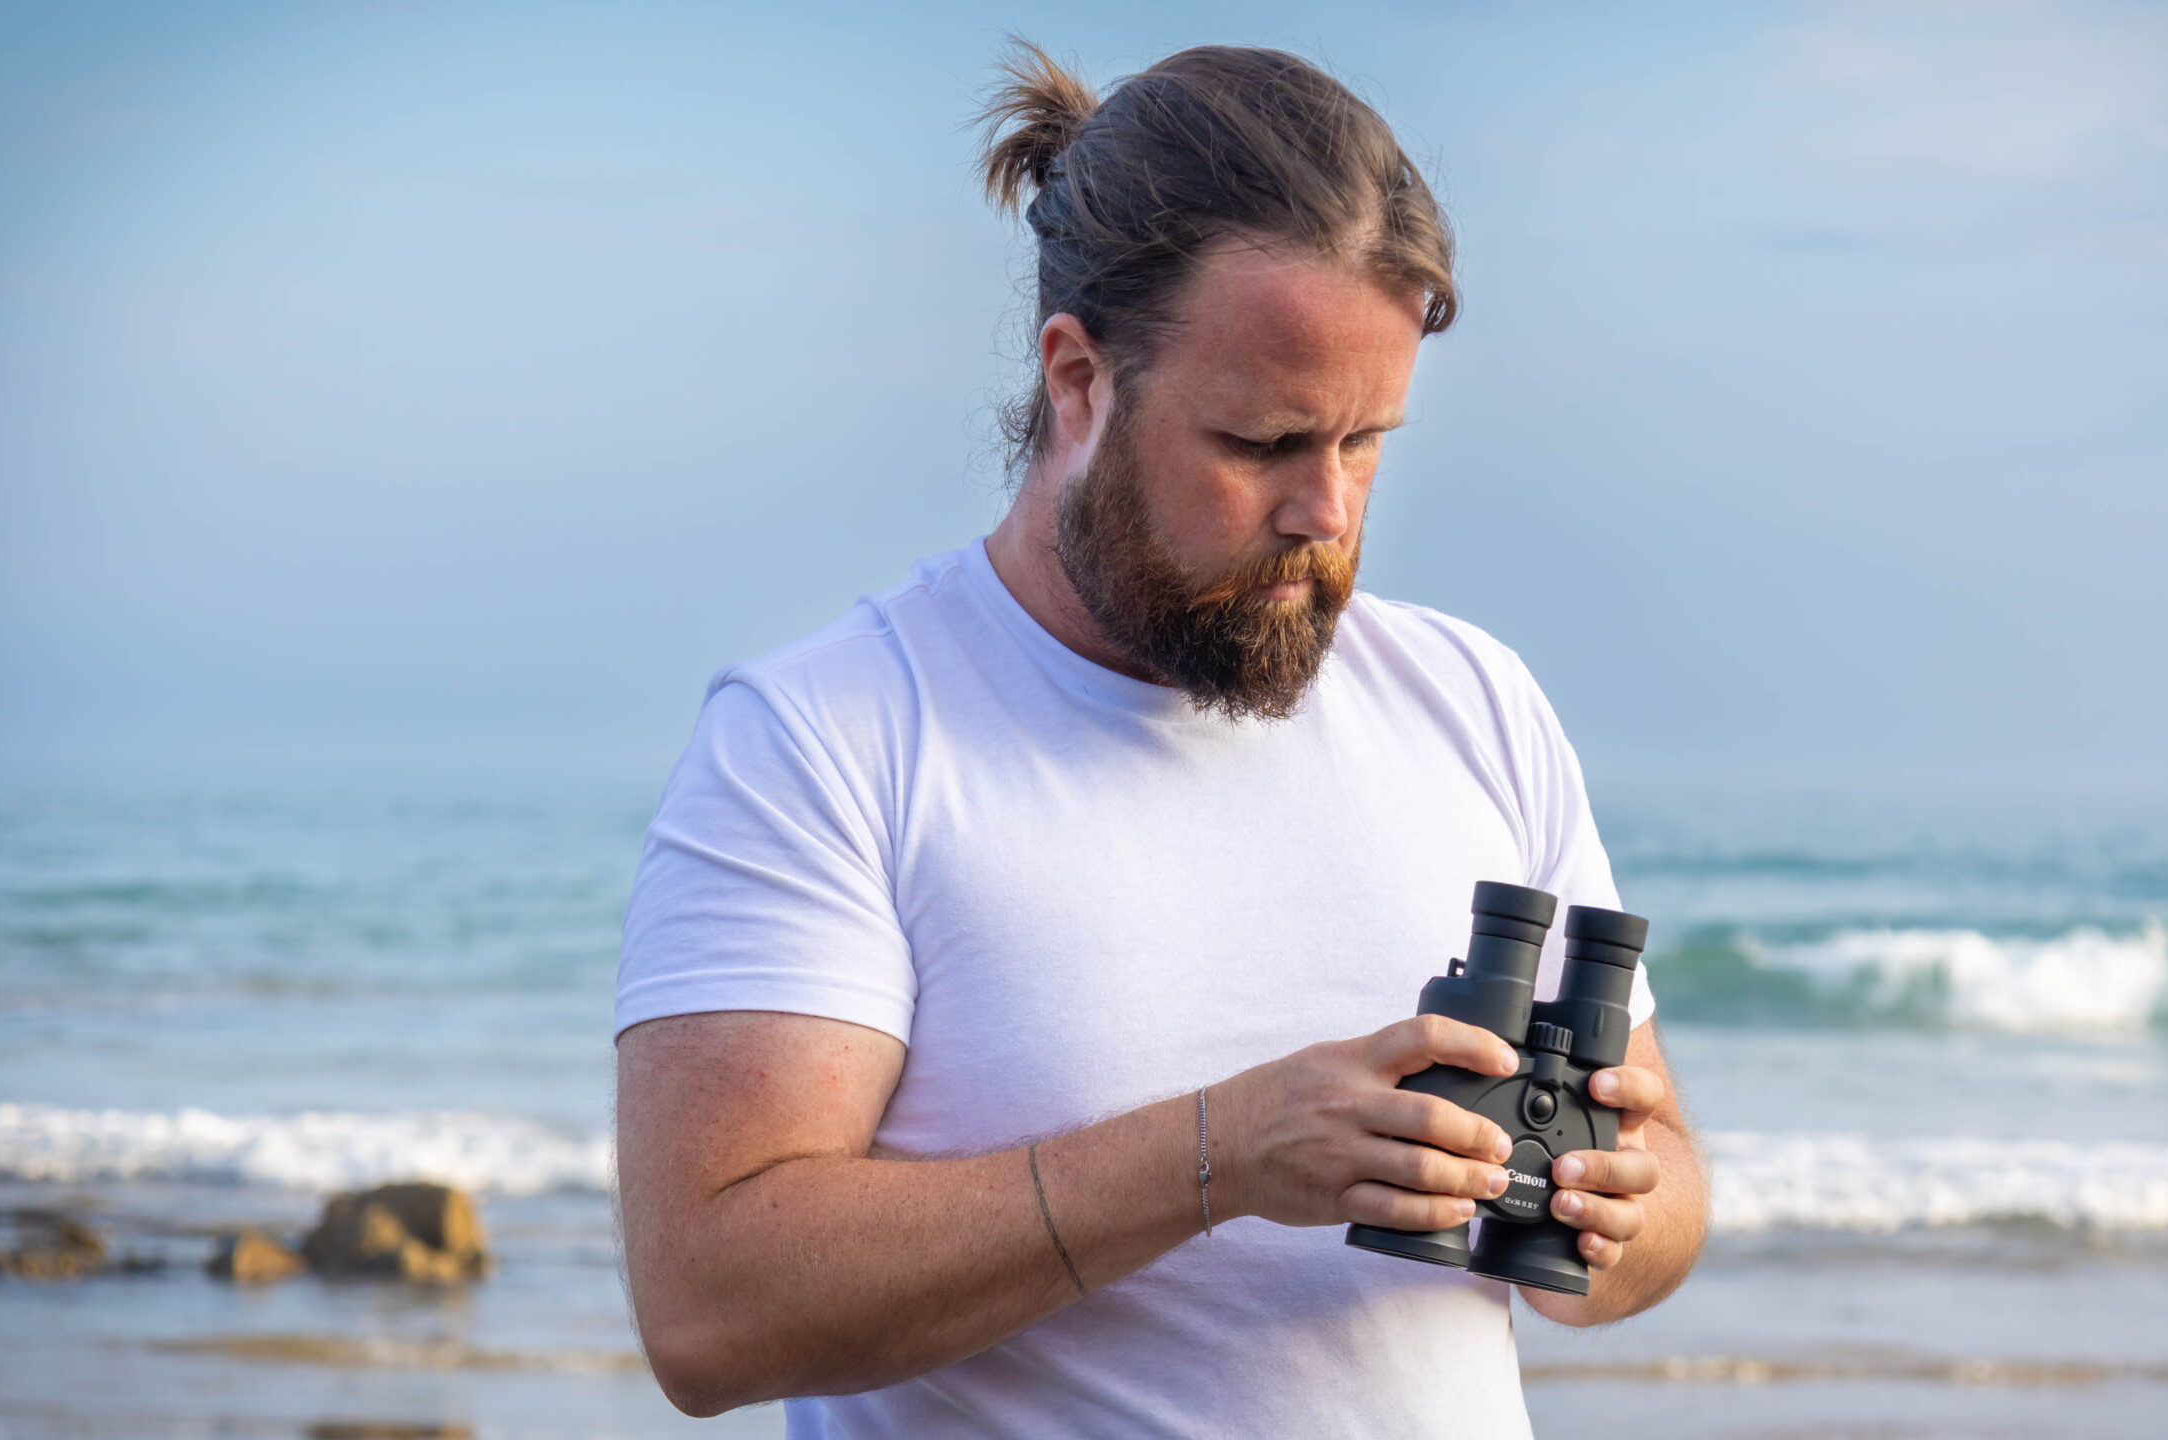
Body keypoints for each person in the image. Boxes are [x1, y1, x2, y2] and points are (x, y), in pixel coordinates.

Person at [613, 40, 1708, 1438]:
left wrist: (1624, 1213)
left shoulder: (1476, 698)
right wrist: (1222, 1155)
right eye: (1262, 443)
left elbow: (1660, 1182)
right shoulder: (826, 738)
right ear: (1078, 380)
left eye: (1368, 441)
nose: (1327, 511)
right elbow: (713, 1313)